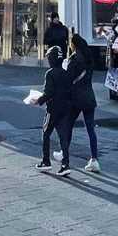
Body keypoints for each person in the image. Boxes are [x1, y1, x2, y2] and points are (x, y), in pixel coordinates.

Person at [34, 45, 73, 177]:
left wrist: (38, 100)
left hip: (52, 109)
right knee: (63, 137)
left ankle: (46, 161)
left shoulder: (50, 73)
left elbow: (49, 92)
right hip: (65, 108)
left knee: (46, 133)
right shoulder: (66, 73)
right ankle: (65, 164)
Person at [64, 33, 100, 173]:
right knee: (91, 129)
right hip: (89, 96)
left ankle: (64, 152)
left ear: (73, 44)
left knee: (68, 125)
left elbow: (68, 78)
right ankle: (94, 159)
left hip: (76, 98)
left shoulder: (74, 59)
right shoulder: (89, 58)